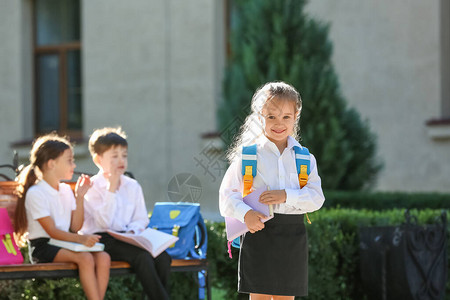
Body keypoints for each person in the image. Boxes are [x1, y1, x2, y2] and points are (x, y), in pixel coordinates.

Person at [219, 81, 325, 300]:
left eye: (286, 116)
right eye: (271, 117)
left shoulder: (304, 158)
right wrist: (245, 214)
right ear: (260, 117)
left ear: (296, 116)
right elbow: (227, 195)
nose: (279, 123)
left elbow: (316, 198)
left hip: (292, 236)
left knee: (286, 298)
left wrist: (286, 195)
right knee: (258, 297)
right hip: (258, 234)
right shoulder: (248, 157)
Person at [14, 133, 110, 300]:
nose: (74, 164)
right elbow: (51, 231)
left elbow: (75, 227)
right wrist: (80, 239)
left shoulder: (66, 190)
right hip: (44, 247)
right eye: (69, 160)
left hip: (65, 242)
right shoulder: (36, 193)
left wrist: (80, 197)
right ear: (51, 164)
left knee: (103, 257)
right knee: (86, 258)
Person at [79, 127, 171, 300]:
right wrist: (111, 189)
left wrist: (132, 233)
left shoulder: (132, 185)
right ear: (98, 159)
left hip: (129, 237)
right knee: (143, 258)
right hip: (101, 240)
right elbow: (104, 223)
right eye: (114, 156)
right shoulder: (92, 187)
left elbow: (141, 219)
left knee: (163, 257)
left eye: (124, 155)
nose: (121, 160)